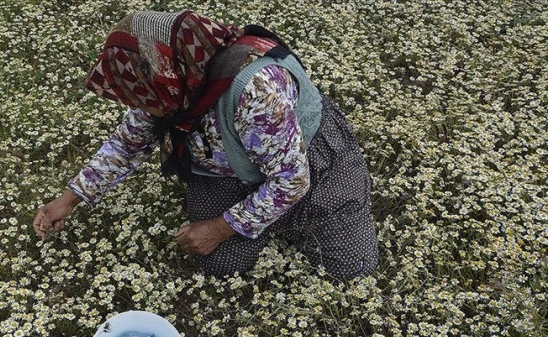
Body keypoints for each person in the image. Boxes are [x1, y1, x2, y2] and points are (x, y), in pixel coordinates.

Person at [33, 10, 378, 281]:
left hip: (307, 160)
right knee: (218, 261)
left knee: (352, 266)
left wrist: (219, 227)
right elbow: (128, 143)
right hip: (230, 166)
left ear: (165, 75)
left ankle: (283, 221)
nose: (138, 106)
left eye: (140, 96)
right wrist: (70, 199)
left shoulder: (254, 91)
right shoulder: (168, 83)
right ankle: (265, 221)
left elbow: (292, 179)